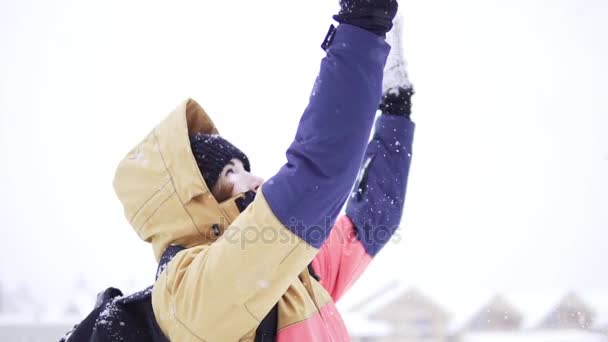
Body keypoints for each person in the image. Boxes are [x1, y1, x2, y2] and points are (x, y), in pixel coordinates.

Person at [112, 0, 415, 340]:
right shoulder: (190, 297)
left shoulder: (294, 274)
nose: (255, 180)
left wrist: (394, 109)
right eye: (229, 173)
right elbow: (317, 175)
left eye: (244, 167)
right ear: (188, 202)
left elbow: (373, 220)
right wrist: (361, 30)